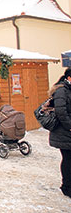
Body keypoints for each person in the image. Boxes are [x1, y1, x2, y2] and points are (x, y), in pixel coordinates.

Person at [49, 68, 71, 198]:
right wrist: (69, 126)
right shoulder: (61, 91)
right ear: (69, 78)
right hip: (64, 132)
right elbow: (61, 112)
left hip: (67, 131)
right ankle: (66, 186)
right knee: (68, 159)